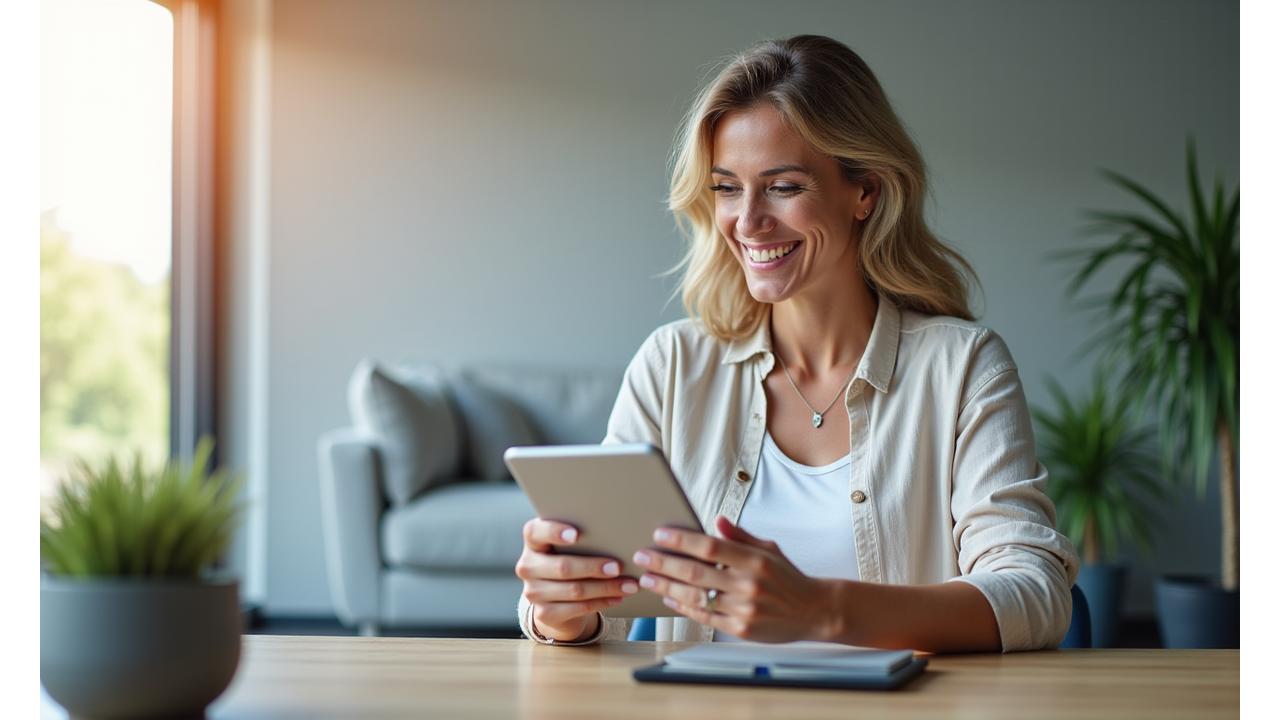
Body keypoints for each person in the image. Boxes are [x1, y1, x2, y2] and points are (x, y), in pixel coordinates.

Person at [513, 34, 1078, 653]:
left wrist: (818, 607)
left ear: (865, 191)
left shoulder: (963, 367)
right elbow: (606, 599)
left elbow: (1035, 592)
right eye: (727, 187)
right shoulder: (673, 364)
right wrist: (561, 612)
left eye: (783, 187)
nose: (748, 221)